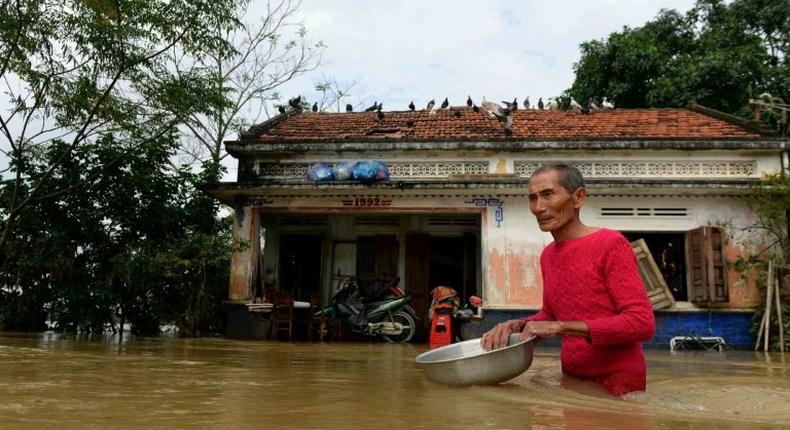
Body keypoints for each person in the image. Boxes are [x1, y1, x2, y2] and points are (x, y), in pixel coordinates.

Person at [480, 164, 655, 396]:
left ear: (578, 197)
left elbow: (641, 323)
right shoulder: (548, 255)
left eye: (548, 194)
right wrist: (517, 324)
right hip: (572, 379)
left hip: (618, 384)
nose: (538, 207)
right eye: (532, 198)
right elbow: (551, 315)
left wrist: (562, 327)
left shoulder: (611, 244)